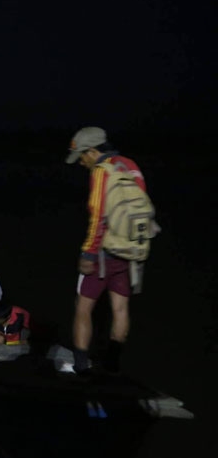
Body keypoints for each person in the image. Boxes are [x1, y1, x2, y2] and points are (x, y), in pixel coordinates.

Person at [66, 126, 151, 375]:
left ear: (93, 152)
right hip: (131, 250)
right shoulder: (130, 165)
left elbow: (98, 216)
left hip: (104, 252)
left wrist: (88, 253)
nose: (81, 162)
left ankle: (81, 367)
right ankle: (112, 365)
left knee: (83, 307)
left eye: (82, 156)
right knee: (120, 309)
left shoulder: (102, 171)